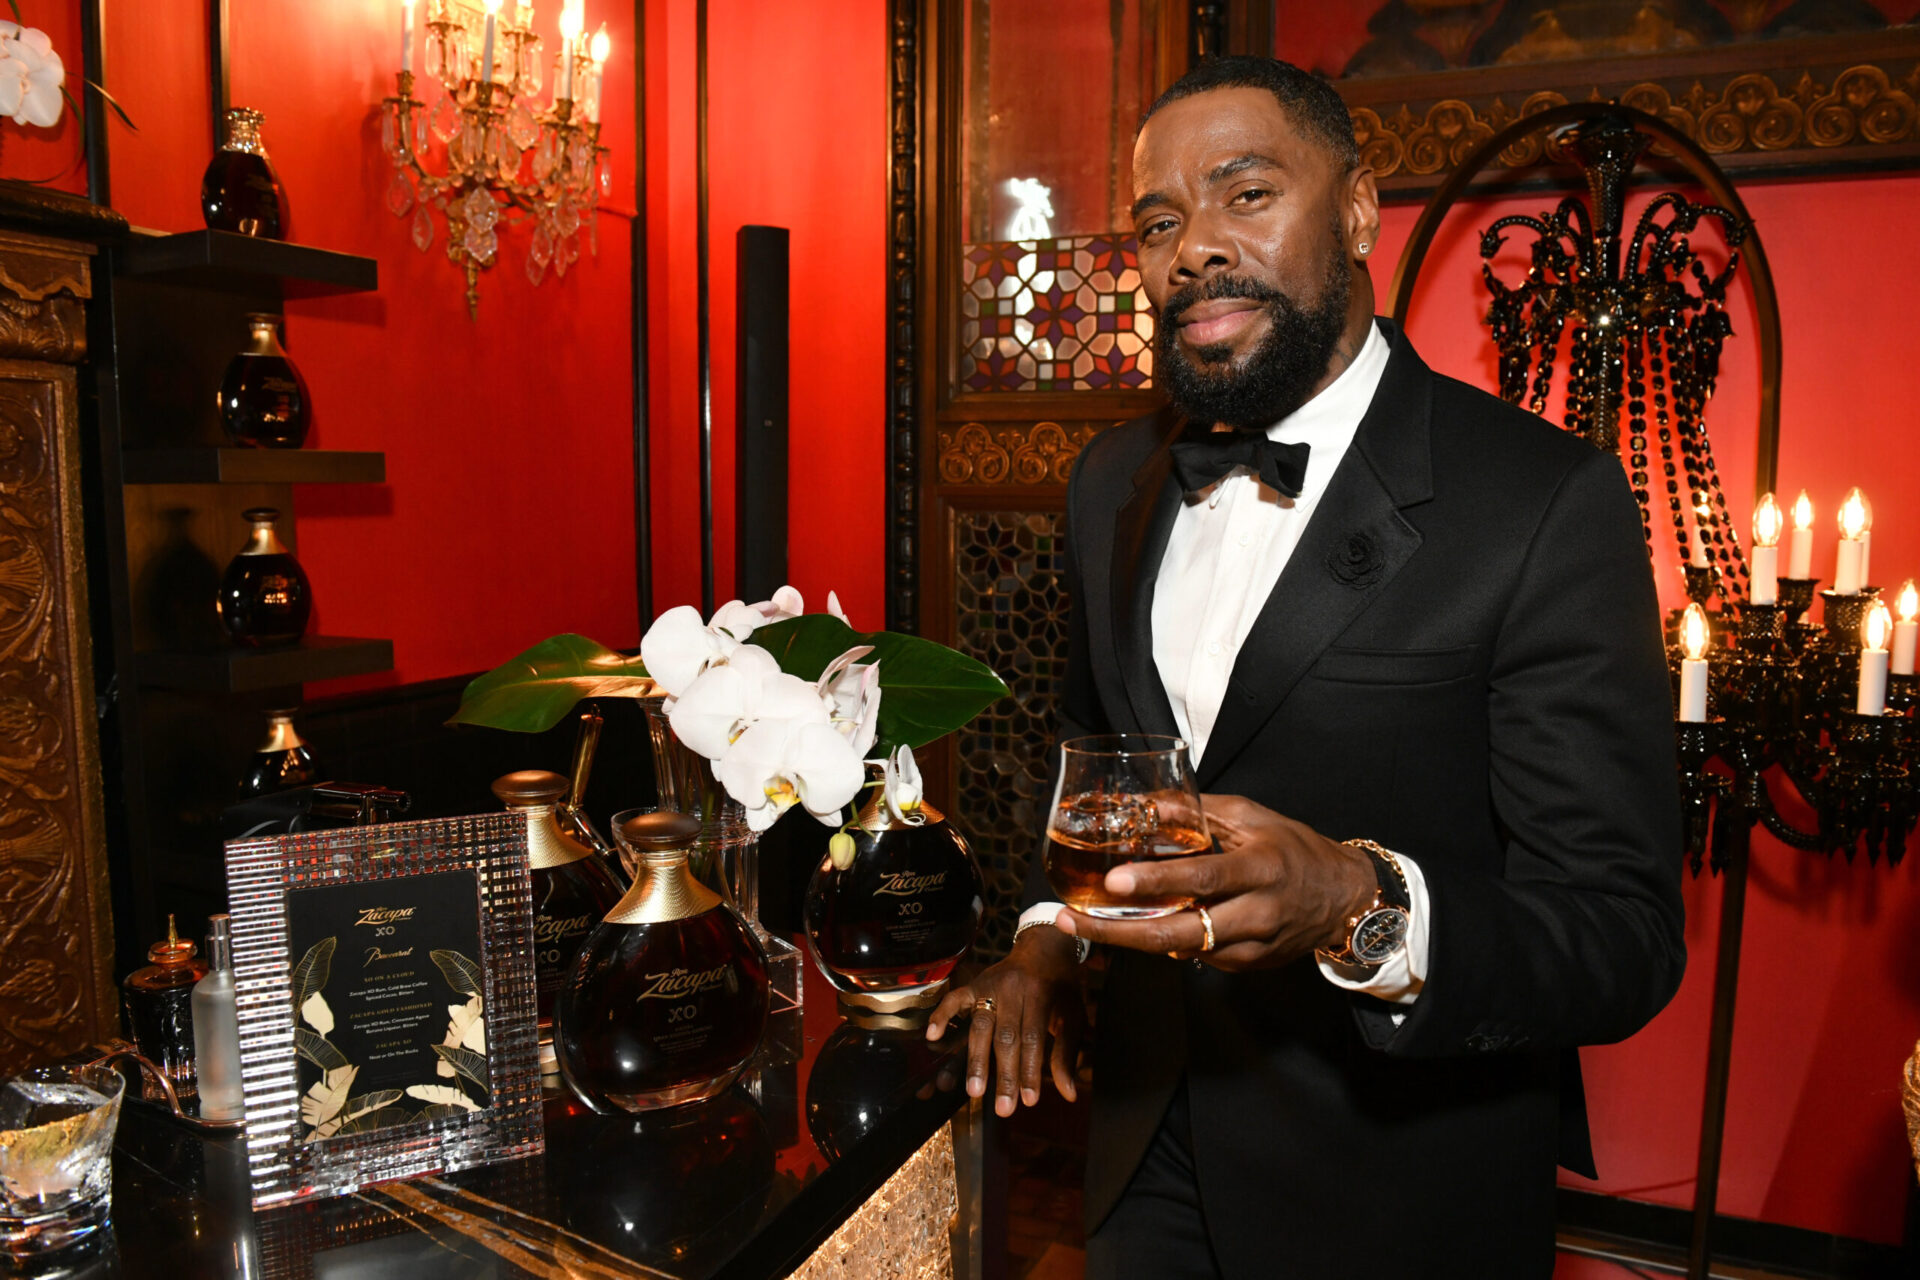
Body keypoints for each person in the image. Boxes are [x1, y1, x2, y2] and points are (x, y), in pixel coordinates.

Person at [926, 55, 1686, 1279]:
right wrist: (1046, 938)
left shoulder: (1542, 503)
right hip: (1137, 1162)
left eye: (1246, 194)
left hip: (1395, 1198)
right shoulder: (1111, 480)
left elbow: (1622, 933)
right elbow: (1090, 754)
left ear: (1357, 210)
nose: (1194, 250)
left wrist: (1352, 897)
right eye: (1160, 222)